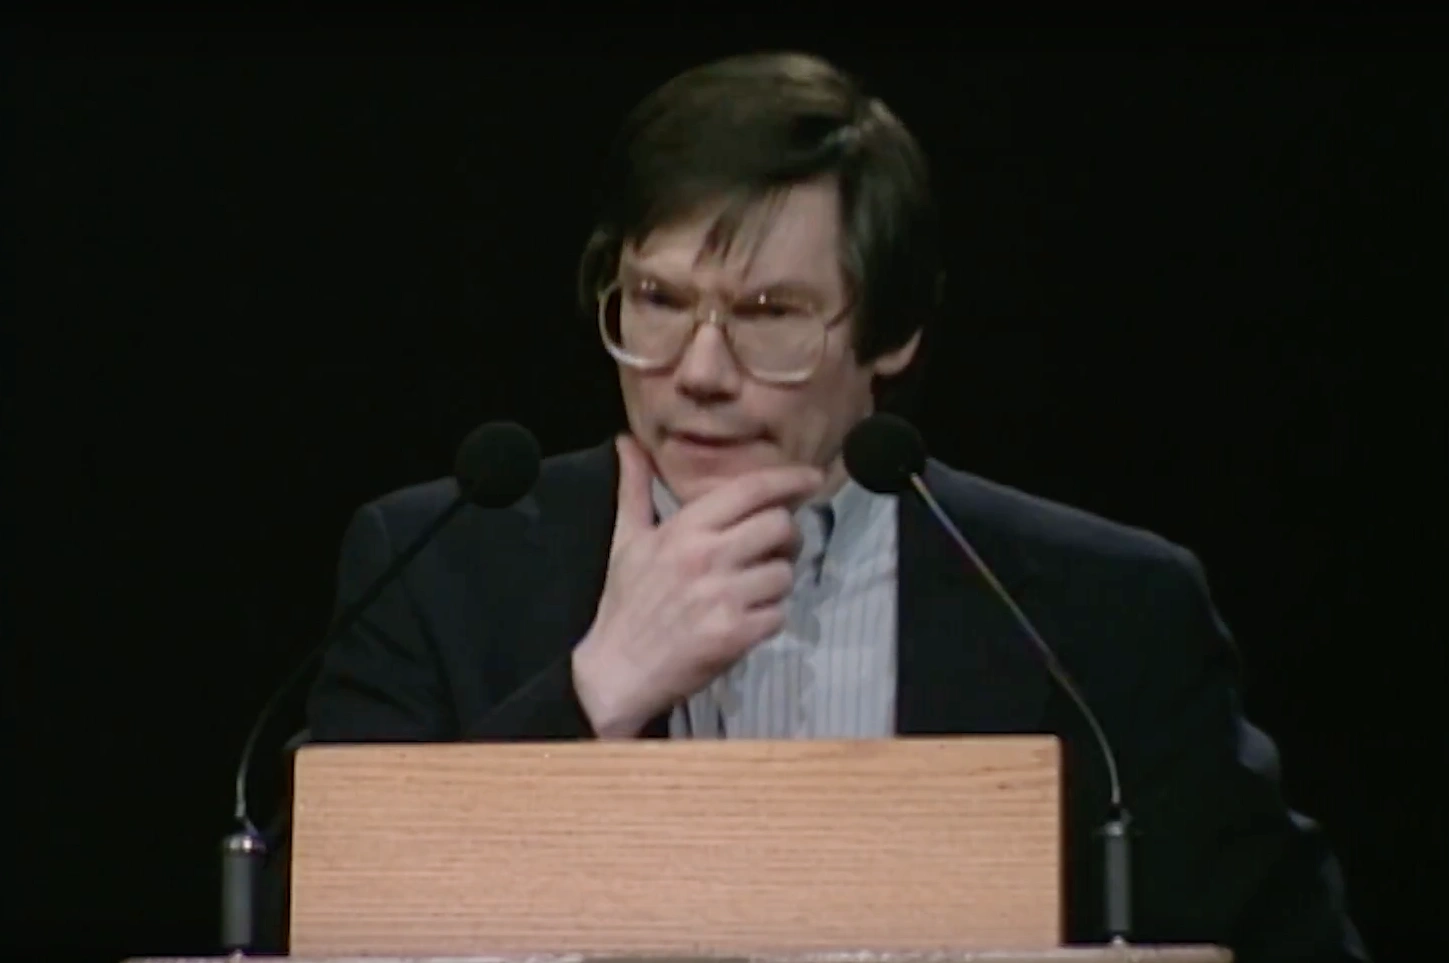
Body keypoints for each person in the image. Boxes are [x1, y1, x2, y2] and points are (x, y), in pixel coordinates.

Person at [288, 52, 1368, 962]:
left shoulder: (1101, 607)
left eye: (767, 313)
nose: (698, 371)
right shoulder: (437, 561)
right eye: (658, 301)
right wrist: (594, 691)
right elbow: (340, 925)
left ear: (892, 335)